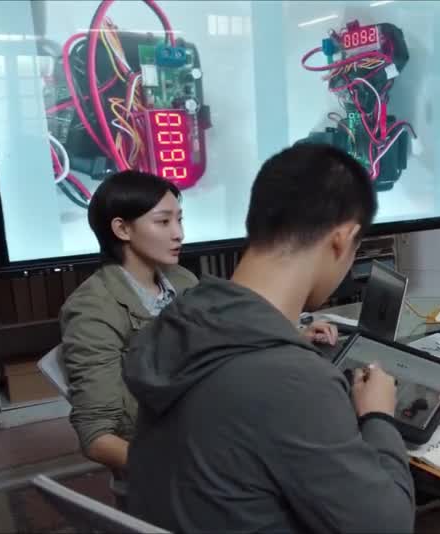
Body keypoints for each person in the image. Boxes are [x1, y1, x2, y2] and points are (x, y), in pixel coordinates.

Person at [121, 144, 440, 531]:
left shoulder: (183, 320)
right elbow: (388, 527)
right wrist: (378, 416)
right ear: (342, 239)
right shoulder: (291, 379)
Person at [59, 171, 338, 493]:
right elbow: (97, 437)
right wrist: (189, 473)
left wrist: (292, 334)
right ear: (122, 229)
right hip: (174, 470)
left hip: (216, 429)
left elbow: (227, 335)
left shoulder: (180, 279)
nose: (179, 233)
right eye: (163, 222)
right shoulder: (93, 309)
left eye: (179, 220)